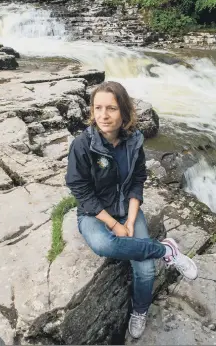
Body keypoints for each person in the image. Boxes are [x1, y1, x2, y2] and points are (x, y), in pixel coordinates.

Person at [65, 81, 198, 339]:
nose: (103, 115)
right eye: (98, 108)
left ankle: (140, 309)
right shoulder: (82, 146)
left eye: (111, 108)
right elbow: (80, 190)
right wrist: (115, 225)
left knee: (146, 269)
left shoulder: (134, 141)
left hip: (128, 207)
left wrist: (131, 217)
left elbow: (138, 179)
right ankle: (166, 250)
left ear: (124, 112)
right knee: (105, 244)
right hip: (94, 213)